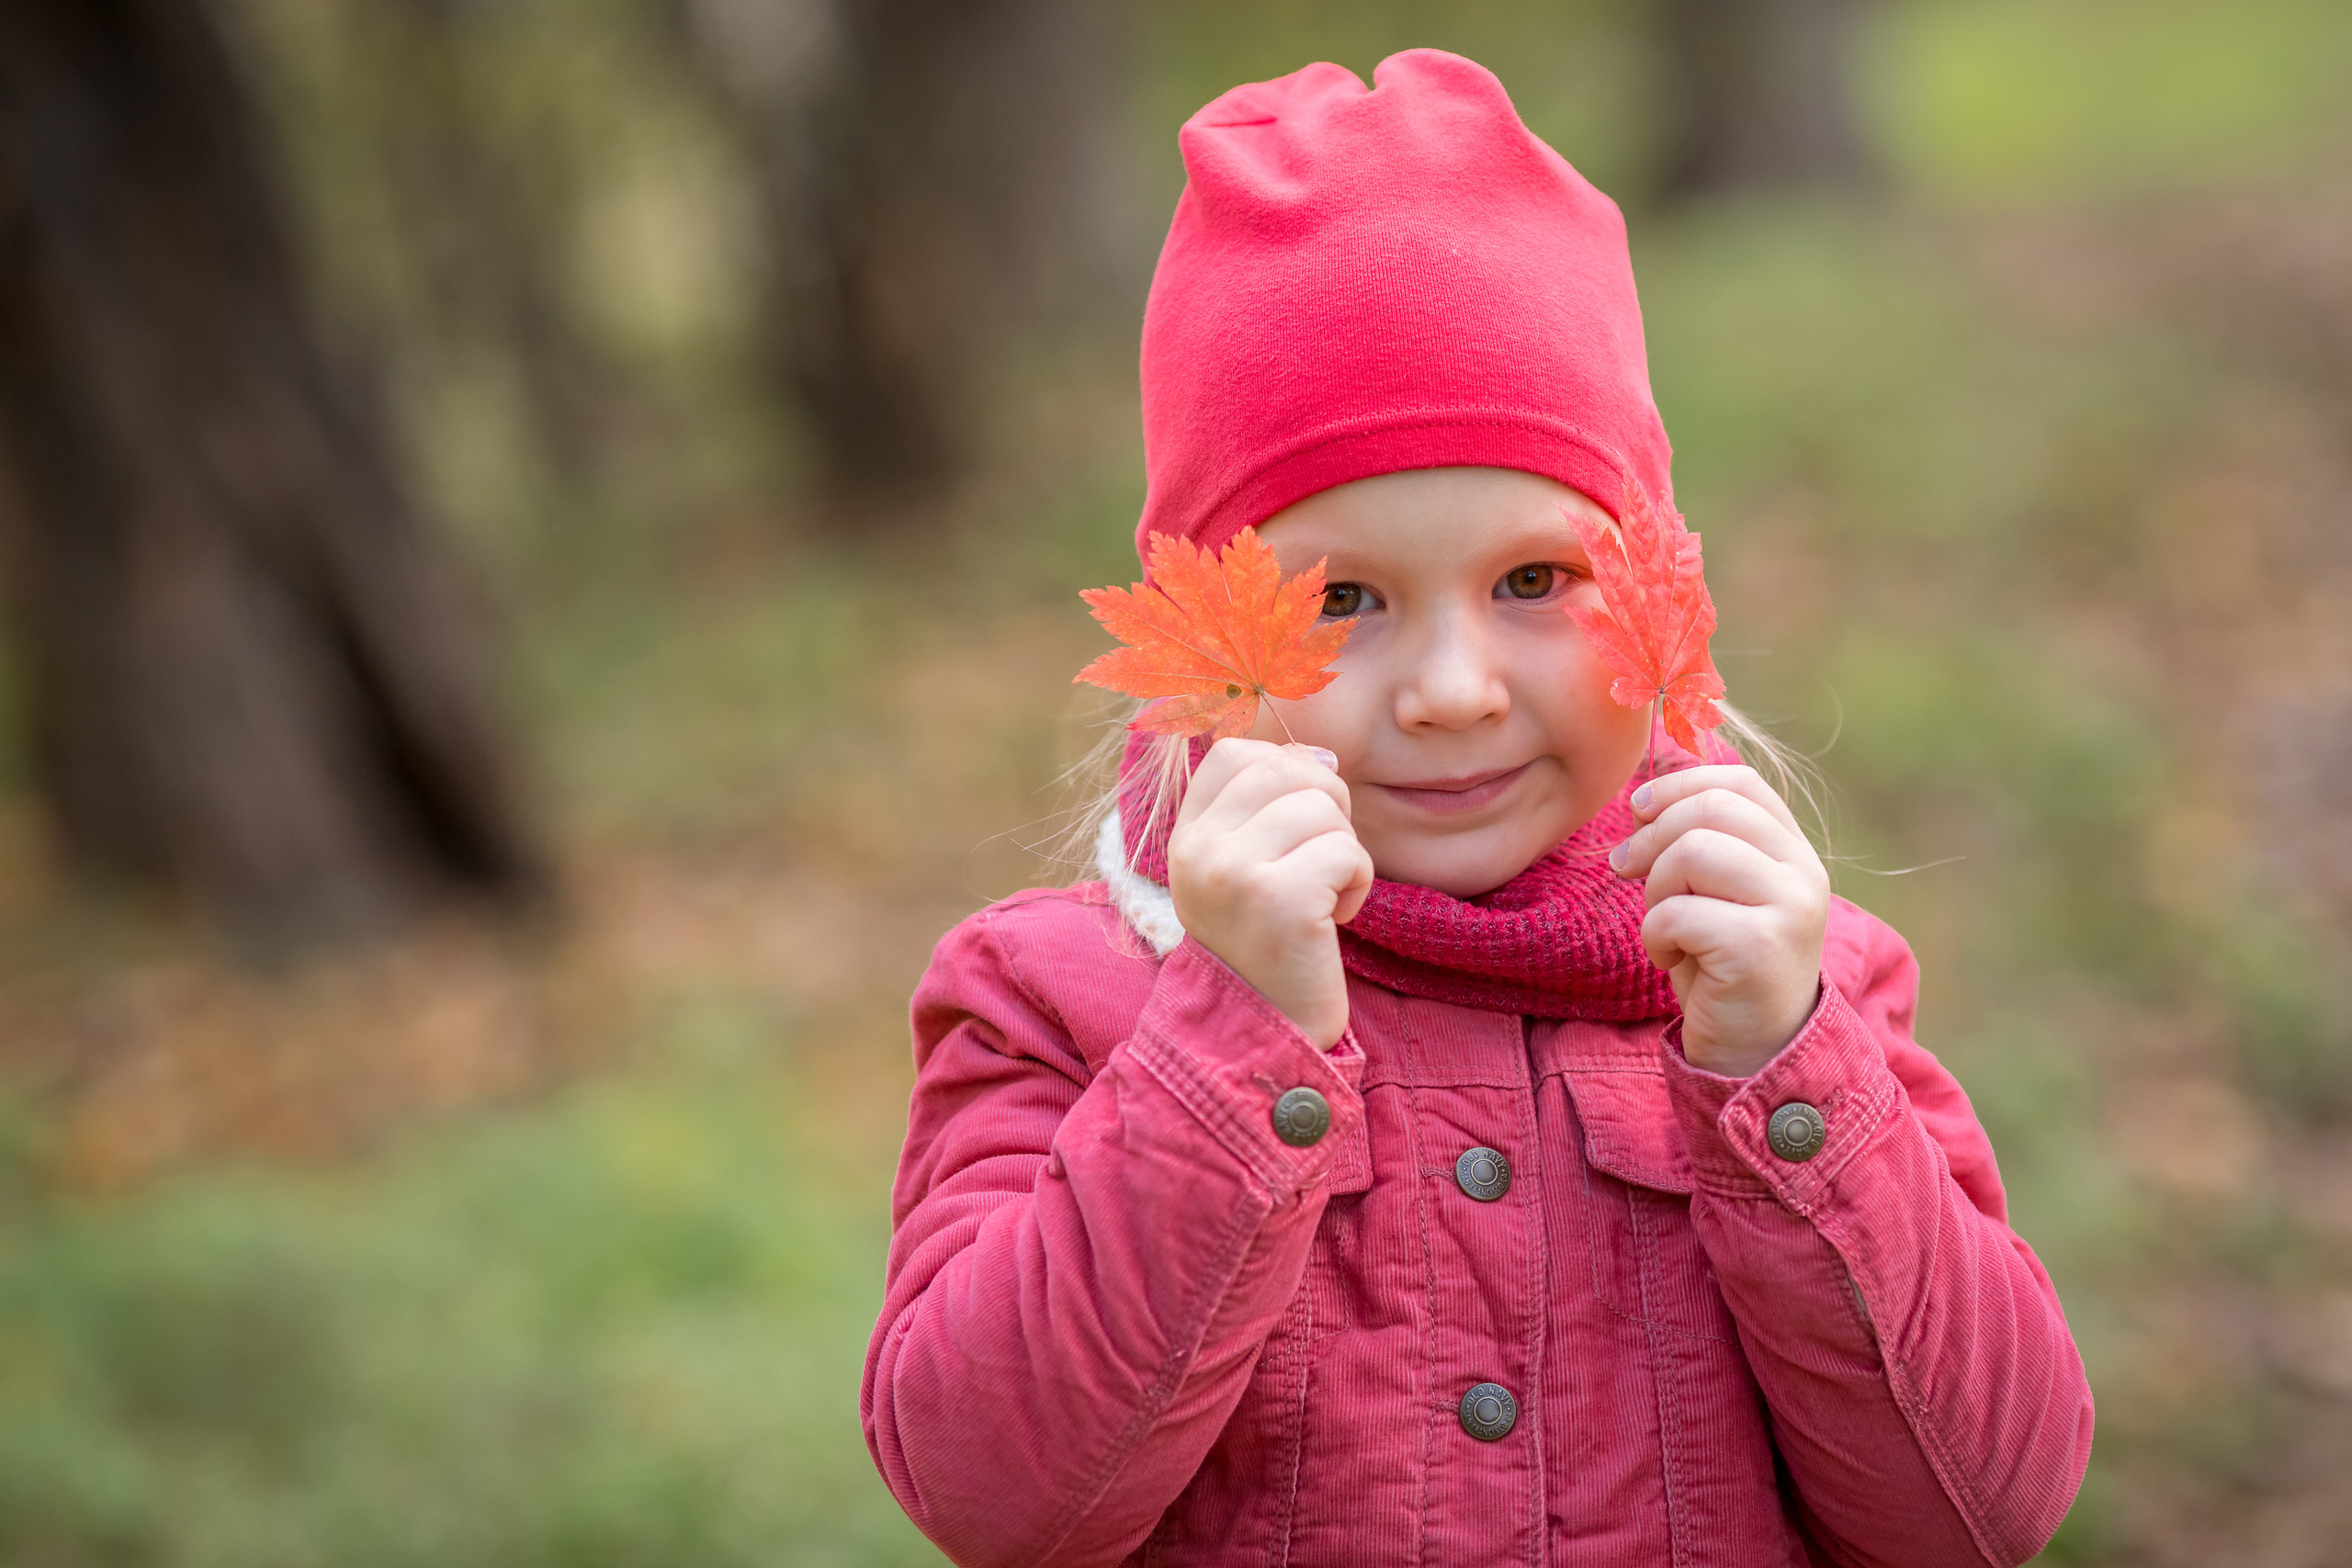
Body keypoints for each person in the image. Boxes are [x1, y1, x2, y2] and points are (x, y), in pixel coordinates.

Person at [862, 49, 2093, 1568]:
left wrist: (1788, 1074)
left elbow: (1984, 1511)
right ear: (1203, 634)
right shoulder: (1058, 999)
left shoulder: (1802, 989)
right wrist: (1234, 1040)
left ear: (1660, 596)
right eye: (1344, 601)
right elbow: (997, 1498)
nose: (1452, 687)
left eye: (1532, 582)